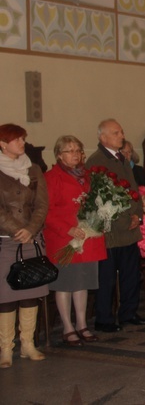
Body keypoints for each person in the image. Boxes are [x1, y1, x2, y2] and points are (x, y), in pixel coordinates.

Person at [86, 119, 145, 332]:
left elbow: (133, 190)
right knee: (107, 278)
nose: (121, 135)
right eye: (115, 133)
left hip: (130, 229)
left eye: (121, 132)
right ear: (102, 137)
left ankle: (128, 313)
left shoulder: (122, 158)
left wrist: (137, 215)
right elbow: (101, 199)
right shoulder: (96, 161)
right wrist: (126, 219)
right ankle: (104, 318)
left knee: (130, 275)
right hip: (112, 231)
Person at [44, 135, 107, 346]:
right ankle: (67, 327)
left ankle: (81, 324)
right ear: (59, 155)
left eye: (78, 150)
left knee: (82, 283)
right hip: (64, 238)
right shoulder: (52, 177)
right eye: (70, 151)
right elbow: (46, 210)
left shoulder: (88, 175)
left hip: (86, 238)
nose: (75, 154)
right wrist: (68, 229)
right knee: (65, 284)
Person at [0, 124, 49, 368]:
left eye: (22, 138)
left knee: (31, 292)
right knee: (6, 296)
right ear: (2, 144)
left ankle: (28, 344)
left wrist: (31, 229)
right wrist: (15, 230)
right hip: (7, 241)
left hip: (31, 238)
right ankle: (6, 349)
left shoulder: (34, 169)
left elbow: (42, 204)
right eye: (17, 139)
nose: (22, 142)